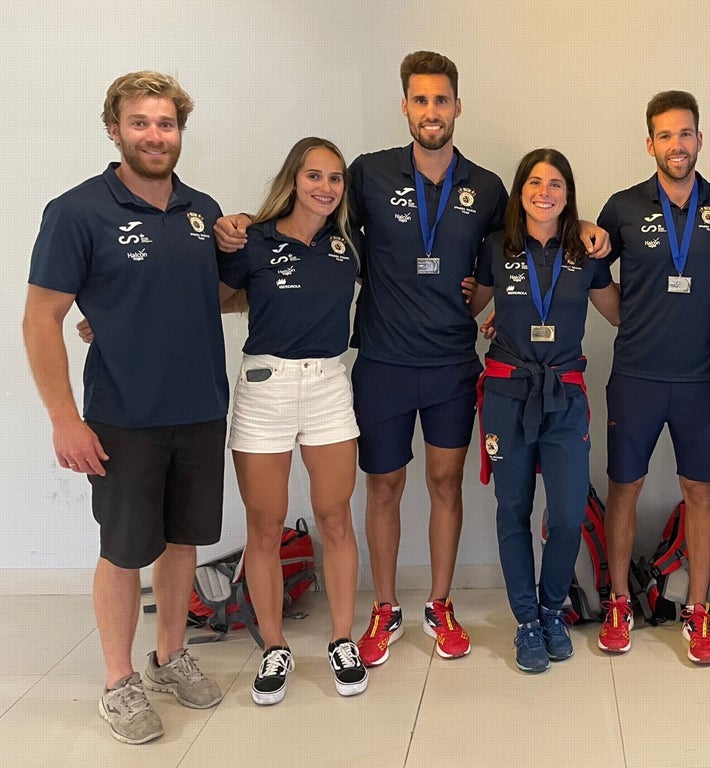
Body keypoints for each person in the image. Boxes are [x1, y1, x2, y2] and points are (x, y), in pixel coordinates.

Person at [215, 53, 608, 667]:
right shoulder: (367, 175)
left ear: (457, 106)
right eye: (420, 100)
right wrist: (246, 225)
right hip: (382, 364)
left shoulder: (486, 186)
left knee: (445, 484)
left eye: (441, 100)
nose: (431, 111)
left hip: (454, 365)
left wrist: (581, 222)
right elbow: (311, 228)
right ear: (404, 105)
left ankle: (441, 604)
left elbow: (524, 236)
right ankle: (387, 608)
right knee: (384, 487)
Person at [23, 71, 227, 744]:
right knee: (122, 551)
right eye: (140, 123)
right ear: (114, 129)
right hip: (122, 417)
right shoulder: (78, 211)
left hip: (199, 410)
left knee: (181, 543)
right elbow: (40, 318)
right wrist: (63, 417)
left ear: (179, 132)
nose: (154, 135)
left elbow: (213, 296)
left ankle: (169, 656)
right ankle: (119, 683)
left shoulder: (201, 210)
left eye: (165, 124)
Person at [595, 91, 710, 664]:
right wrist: (624, 316)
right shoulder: (623, 205)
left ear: (700, 139)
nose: (676, 145)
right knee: (624, 490)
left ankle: (699, 609)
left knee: (700, 493)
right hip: (635, 374)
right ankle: (616, 602)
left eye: (686, 134)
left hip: (702, 378)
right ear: (649, 142)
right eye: (665, 135)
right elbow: (589, 265)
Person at [215, 138, 367, 704]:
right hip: (265, 387)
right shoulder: (252, 239)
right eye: (314, 176)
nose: (325, 188)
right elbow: (210, 298)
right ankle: (274, 647)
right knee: (265, 523)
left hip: (329, 384)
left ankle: (343, 640)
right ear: (293, 179)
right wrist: (111, 321)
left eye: (335, 178)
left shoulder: (345, 246)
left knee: (334, 517)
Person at [470, 149, 620, 673]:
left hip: (565, 396)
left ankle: (552, 609)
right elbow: (473, 306)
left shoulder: (584, 249)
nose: (545, 192)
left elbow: (620, 311)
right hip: (508, 395)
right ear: (520, 190)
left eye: (556, 183)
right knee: (512, 508)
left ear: (568, 194)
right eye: (535, 182)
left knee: (567, 512)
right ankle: (526, 622)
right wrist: (491, 318)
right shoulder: (494, 248)